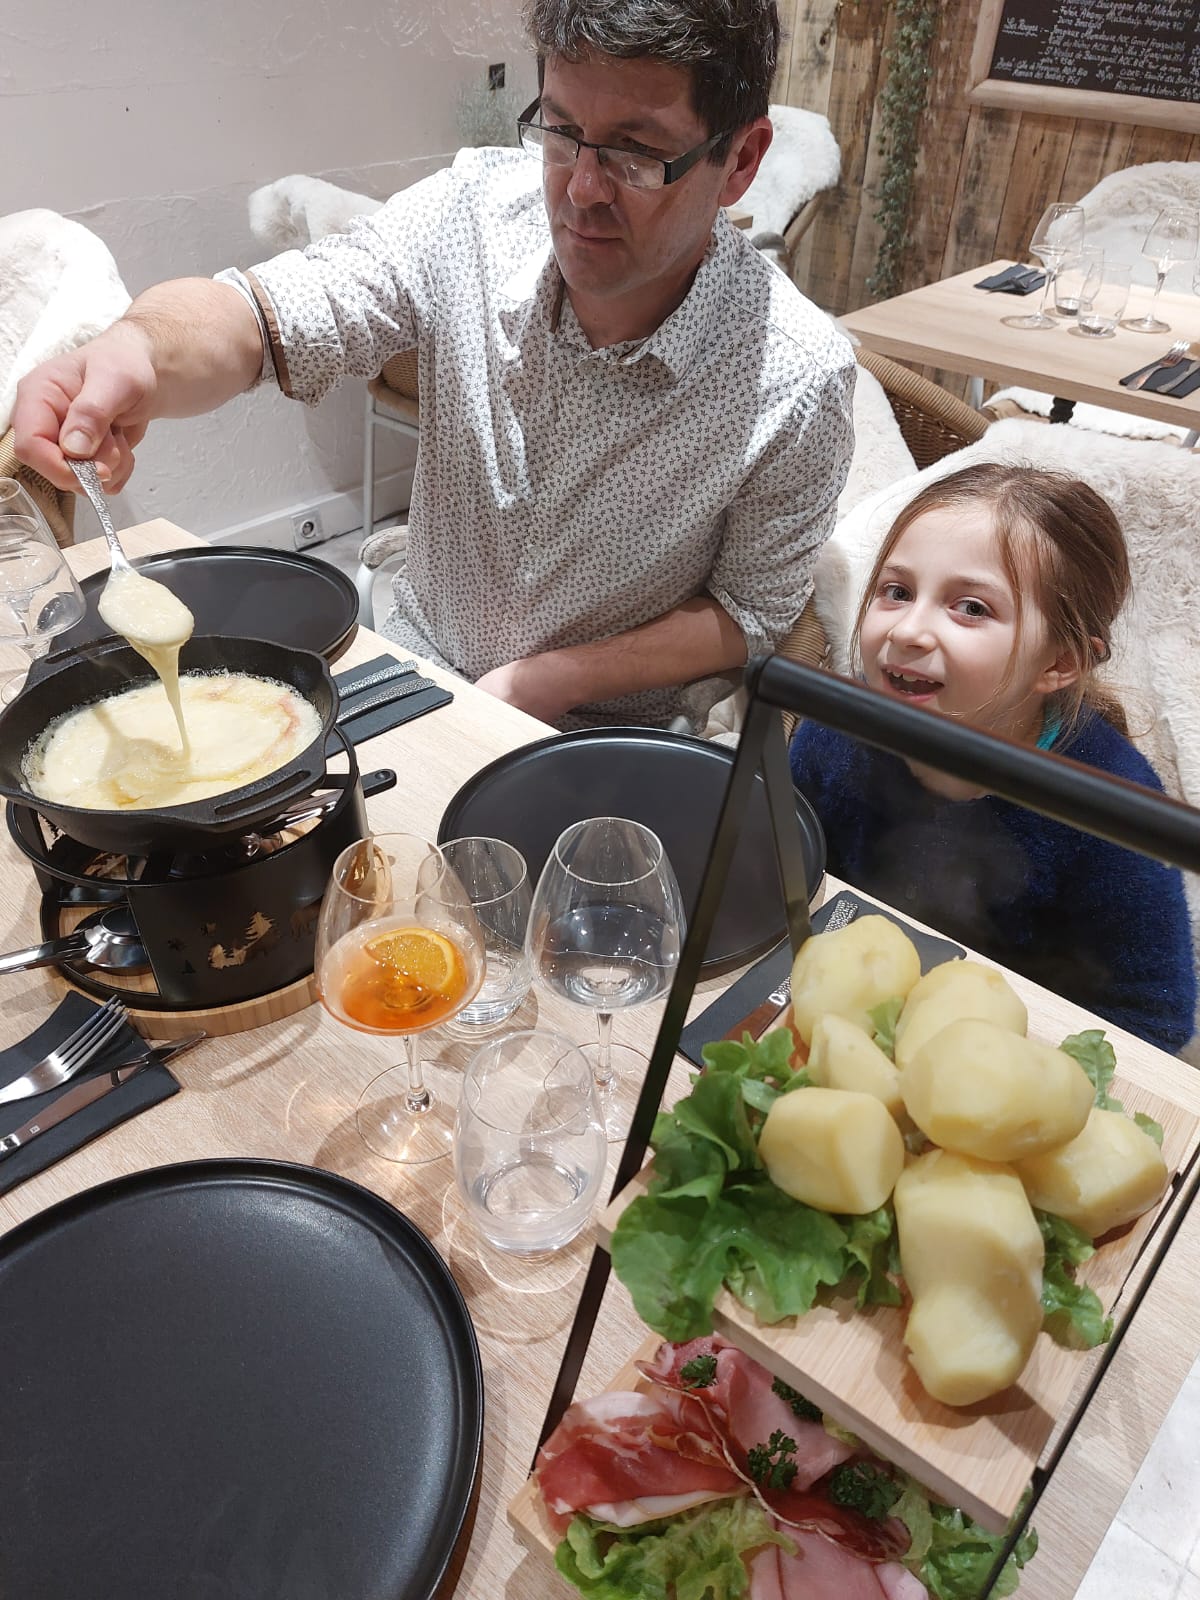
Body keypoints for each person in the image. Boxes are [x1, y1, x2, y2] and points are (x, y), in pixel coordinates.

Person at [12, 0, 855, 732]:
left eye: (635, 152)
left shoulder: (794, 379)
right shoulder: (472, 216)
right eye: (563, 131)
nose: (582, 191)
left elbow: (749, 611)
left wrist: (555, 679)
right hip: (416, 663)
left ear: (741, 160)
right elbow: (271, 315)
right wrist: (139, 348)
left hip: (600, 736)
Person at [789, 462, 1196, 1055]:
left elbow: (1154, 1017)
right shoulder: (832, 731)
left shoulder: (1112, 813)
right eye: (897, 592)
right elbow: (783, 874)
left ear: (1060, 662)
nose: (908, 630)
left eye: (971, 608)